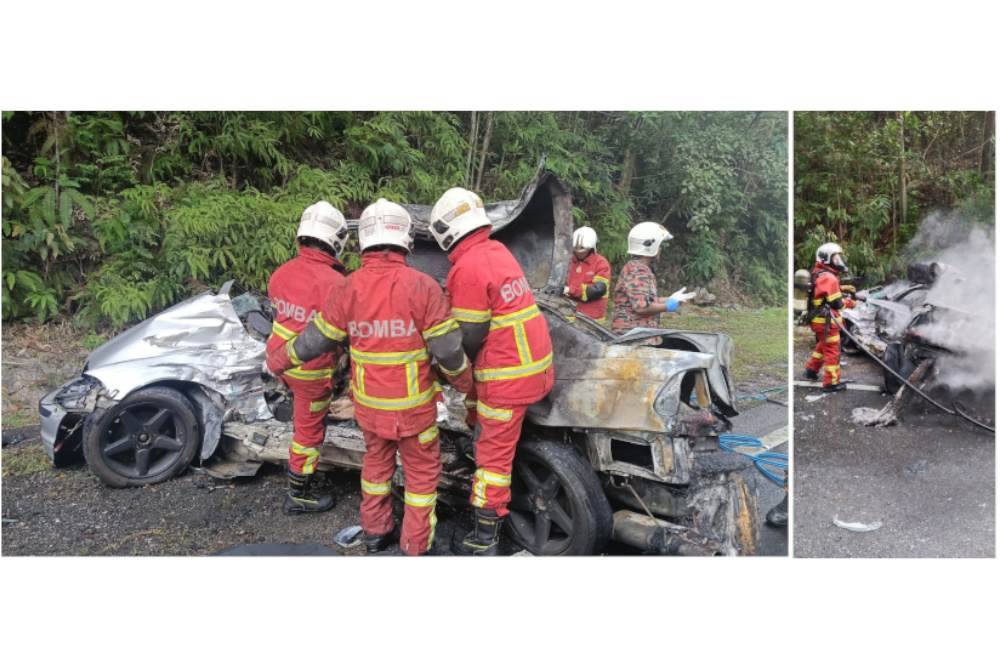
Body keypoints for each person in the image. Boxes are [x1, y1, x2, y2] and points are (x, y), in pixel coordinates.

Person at [267, 198, 474, 556]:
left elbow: (315, 340)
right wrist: (467, 384)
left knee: (375, 470)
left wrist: (278, 362)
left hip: (370, 410)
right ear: (405, 238)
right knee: (422, 480)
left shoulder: (348, 287)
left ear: (363, 240)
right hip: (415, 412)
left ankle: (375, 534)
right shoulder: (423, 287)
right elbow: (449, 352)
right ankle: (414, 546)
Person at [429, 186, 555, 556]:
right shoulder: (497, 251)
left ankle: (485, 537)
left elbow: (466, 337)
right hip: (535, 368)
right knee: (488, 429)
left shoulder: (467, 267)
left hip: (507, 378)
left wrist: (442, 368)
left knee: (492, 460)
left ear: (444, 230)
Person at [266, 201, 350, 515]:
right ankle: (300, 493)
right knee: (309, 432)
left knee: (305, 416)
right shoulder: (336, 284)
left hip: (278, 359)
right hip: (310, 371)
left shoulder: (281, 272)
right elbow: (344, 333)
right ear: (336, 239)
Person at [611, 221, 695, 341]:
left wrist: (671, 298)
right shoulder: (638, 271)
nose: (660, 250)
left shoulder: (638, 269)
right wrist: (668, 306)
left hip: (638, 335)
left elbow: (645, 300)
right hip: (633, 338)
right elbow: (642, 308)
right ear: (651, 246)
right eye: (659, 246)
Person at [803, 242, 854, 392]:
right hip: (826, 322)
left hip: (818, 321)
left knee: (822, 346)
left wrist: (843, 288)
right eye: (836, 258)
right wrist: (852, 303)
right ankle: (831, 383)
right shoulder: (830, 278)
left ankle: (811, 371)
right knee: (832, 351)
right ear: (826, 259)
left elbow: (822, 292)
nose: (839, 261)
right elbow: (837, 304)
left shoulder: (819, 272)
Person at [563, 226, 613, 323]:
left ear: (591, 248)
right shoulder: (568, 261)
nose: (578, 252)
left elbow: (599, 290)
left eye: (582, 249)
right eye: (575, 248)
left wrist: (570, 290)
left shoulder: (601, 263)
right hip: (568, 317)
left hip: (591, 321)